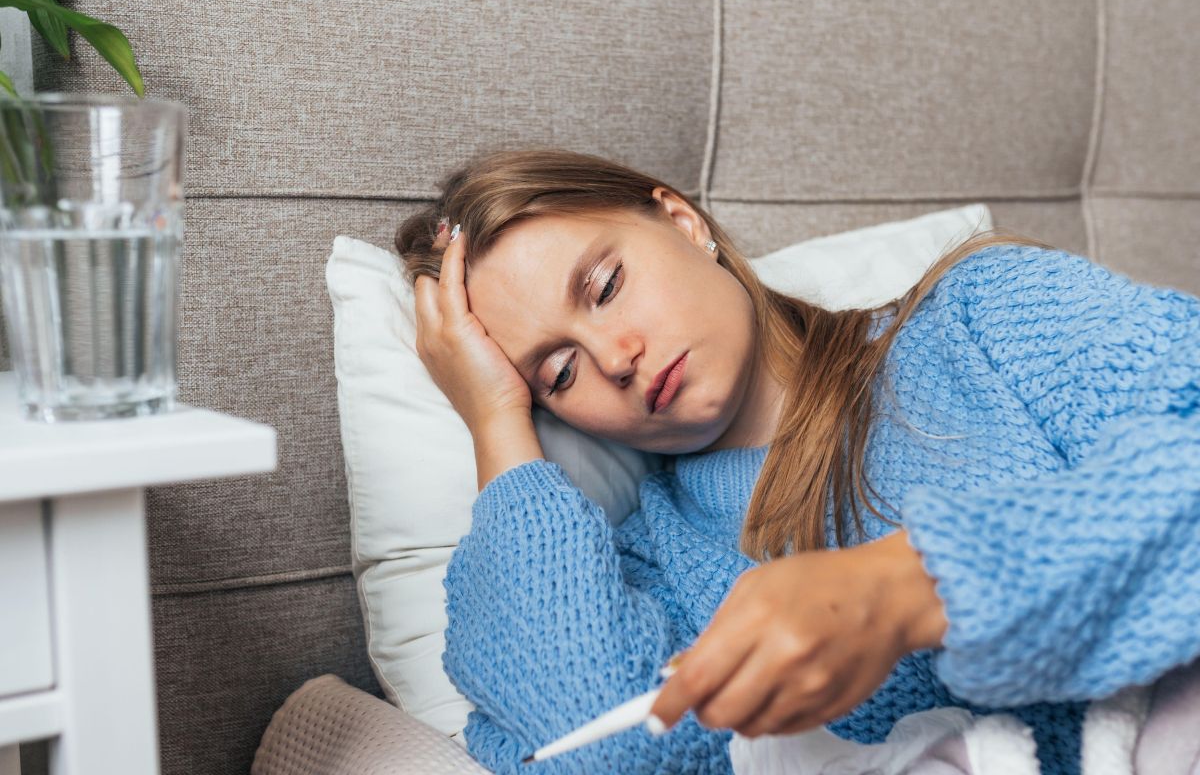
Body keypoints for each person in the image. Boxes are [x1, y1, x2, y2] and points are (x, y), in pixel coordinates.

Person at [396, 148, 1200, 775]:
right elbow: (610, 754)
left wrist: (913, 587)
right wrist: (495, 420)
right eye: (560, 373)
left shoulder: (981, 317)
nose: (615, 357)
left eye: (606, 287)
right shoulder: (648, 569)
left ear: (682, 221)